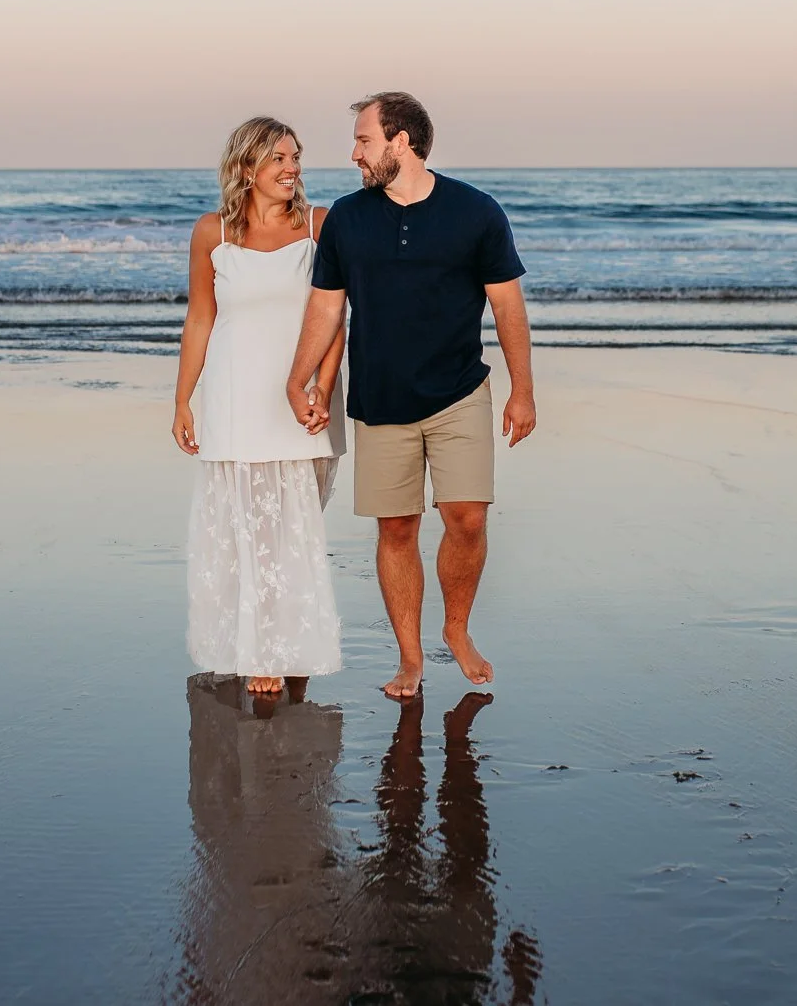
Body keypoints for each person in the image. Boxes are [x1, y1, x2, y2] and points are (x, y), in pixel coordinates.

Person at [285, 92, 535, 698]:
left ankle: (456, 629)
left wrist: (523, 390)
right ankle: (410, 657)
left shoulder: (476, 212)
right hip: (380, 397)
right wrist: (299, 378)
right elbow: (326, 306)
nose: (354, 153)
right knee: (396, 529)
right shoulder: (347, 217)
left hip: (458, 390)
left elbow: (506, 303)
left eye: (364, 140)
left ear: (401, 141)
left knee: (467, 518)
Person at [173, 116, 346, 695]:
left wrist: (320, 386)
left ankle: (290, 641)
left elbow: (335, 315)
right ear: (246, 168)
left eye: (295, 157)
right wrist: (183, 399)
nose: (291, 168)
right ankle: (263, 651)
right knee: (247, 524)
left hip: (304, 397)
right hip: (233, 392)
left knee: (295, 523)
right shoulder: (211, 234)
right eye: (277, 158)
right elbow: (201, 319)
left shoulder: (321, 227)